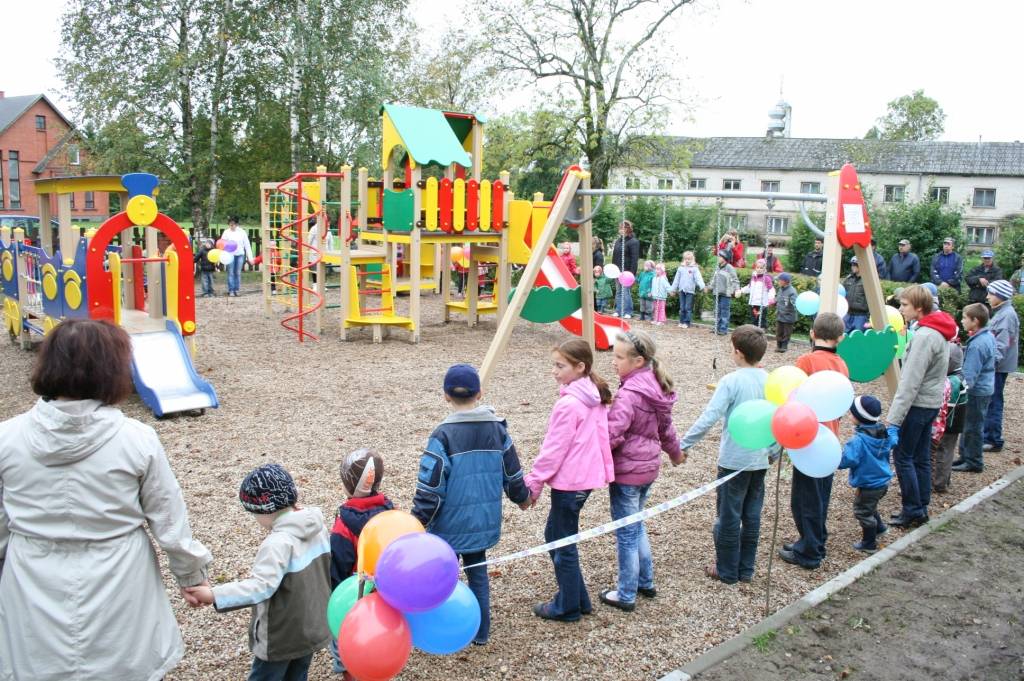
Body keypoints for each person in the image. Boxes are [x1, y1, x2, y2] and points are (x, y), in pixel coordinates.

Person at [0, 319, 212, 681]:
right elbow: (168, 518)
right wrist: (191, 576)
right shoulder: (136, 439)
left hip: (33, 575)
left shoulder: (8, 437)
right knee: (123, 664)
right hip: (119, 575)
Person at [411, 364, 530, 644]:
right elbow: (512, 472)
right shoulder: (497, 430)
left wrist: (417, 521)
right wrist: (522, 497)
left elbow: (431, 487)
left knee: (444, 578)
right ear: (480, 393)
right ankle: (481, 631)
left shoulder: (442, 436)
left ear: (446, 395)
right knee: (478, 575)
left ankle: (445, 628)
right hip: (483, 521)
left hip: (448, 525)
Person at [186, 464, 331, 681]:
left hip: (281, 636)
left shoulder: (277, 544)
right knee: (298, 674)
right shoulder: (318, 528)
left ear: (265, 510)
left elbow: (259, 587)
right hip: (312, 626)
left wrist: (214, 595)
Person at [524, 339, 615, 622]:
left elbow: (554, 449)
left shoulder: (570, 404)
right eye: (554, 364)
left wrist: (534, 482)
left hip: (571, 482)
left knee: (561, 541)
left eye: (560, 365)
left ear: (580, 367)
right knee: (556, 535)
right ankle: (578, 598)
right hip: (584, 480)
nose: (554, 370)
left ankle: (567, 607)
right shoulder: (593, 395)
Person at [680, 325, 773, 584]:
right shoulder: (770, 380)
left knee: (729, 517)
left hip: (734, 461)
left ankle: (727, 570)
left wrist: (684, 444)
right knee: (752, 516)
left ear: (738, 352)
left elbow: (710, 416)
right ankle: (746, 569)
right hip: (760, 460)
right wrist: (774, 451)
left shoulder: (731, 381)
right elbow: (779, 419)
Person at [600, 331, 682, 611]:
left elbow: (613, 433)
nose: (613, 361)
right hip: (649, 468)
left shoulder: (629, 394)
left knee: (626, 533)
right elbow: (666, 429)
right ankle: (645, 581)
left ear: (638, 361)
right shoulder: (656, 385)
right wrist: (675, 453)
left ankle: (626, 594)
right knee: (637, 526)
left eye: (619, 357)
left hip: (627, 473)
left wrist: (588, 458)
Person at [779, 313, 848, 570]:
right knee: (820, 495)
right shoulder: (842, 364)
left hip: (809, 438)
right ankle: (815, 540)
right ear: (840, 337)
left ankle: (809, 551)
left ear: (812, 333)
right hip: (830, 438)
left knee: (804, 498)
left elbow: (794, 395)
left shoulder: (806, 361)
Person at [885, 285, 957, 528]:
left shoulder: (925, 336)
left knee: (903, 456)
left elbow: (910, 382)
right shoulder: (938, 330)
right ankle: (921, 504)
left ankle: (913, 509)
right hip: (930, 403)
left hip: (918, 405)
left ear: (918, 307)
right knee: (921, 456)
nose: (900, 309)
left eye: (904, 305)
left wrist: (894, 420)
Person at [329, 449, 393, 676]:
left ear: (347, 485)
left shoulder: (343, 525)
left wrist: (334, 596)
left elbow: (338, 567)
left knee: (347, 644)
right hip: (386, 595)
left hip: (353, 597)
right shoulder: (391, 514)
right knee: (380, 640)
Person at [838, 396, 897, 554]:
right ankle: (880, 528)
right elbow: (894, 439)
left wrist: (834, 458)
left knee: (862, 511)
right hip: (883, 482)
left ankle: (869, 543)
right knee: (870, 505)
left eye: (852, 413)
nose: (850, 415)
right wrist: (894, 428)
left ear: (859, 417)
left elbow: (847, 460)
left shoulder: (858, 441)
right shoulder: (884, 432)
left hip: (869, 484)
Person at [953, 304, 996, 473]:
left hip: (976, 392)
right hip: (984, 388)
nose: (962, 321)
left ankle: (973, 461)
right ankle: (966, 456)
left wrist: (958, 391)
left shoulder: (978, 344)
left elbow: (970, 375)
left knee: (972, 427)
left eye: (965, 318)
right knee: (970, 425)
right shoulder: (987, 336)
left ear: (975, 320)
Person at [982, 280, 1019, 454]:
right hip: (997, 365)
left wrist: (990, 365)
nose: (987, 297)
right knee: (992, 400)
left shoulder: (1006, 315)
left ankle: (992, 438)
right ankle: (989, 436)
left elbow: (1001, 344)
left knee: (993, 401)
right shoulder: (1003, 312)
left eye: (991, 293)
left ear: (1000, 296)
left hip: (997, 367)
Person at [932, 344, 965, 491]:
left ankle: (939, 482)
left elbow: (948, 407)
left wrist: (941, 424)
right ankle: (945, 479)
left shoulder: (953, 381)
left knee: (943, 451)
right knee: (948, 450)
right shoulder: (960, 376)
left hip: (950, 423)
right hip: (956, 421)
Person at [611, 220, 640, 318]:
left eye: (622, 228)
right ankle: (619, 310)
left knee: (626, 292)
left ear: (628, 229)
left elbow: (634, 259)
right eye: (620, 228)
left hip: (627, 272)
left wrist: (632, 273)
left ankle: (628, 311)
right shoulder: (618, 241)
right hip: (617, 271)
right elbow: (614, 256)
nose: (620, 230)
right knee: (619, 291)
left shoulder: (633, 242)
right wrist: (613, 269)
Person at [709, 249, 741, 335]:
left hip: (726, 294)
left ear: (725, 258)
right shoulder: (717, 267)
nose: (718, 258)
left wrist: (737, 289)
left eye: (720, 256)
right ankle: (716, 327)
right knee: (717, 311)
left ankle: (723, 329)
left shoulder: (729, 268)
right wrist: (709, 287)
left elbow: (735, 280)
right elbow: (713, 279)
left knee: (724, 312)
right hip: (717, 292)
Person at [221, 216, 255, 297]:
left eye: (233, 224)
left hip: (240, 255)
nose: (231, 226)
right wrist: (222, 255)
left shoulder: (242, 232)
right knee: (231, 272)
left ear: (236, 224)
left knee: (238, 272)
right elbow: (222, 244)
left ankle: (237, 289)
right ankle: (231, 290)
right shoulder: (226, 232)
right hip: (230, 255)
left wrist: (250, 258)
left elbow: (247, 245)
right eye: (230, 224)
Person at [670, 251, 705, 328]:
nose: (687, 260)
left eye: (689, 259)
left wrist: (702, 286)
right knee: (682, 307)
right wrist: (673, 289)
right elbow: (676, 280)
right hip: (681, 290)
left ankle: (687, 322)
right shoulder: (681, 268)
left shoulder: (694, 269)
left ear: (692, 259)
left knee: (687, 308)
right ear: (684, 259)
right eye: (686, 259)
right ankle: (681, 321)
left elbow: (698, 278)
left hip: (690, 291)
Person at [740, 258, 773, 330]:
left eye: (761, 268)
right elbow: (749, 287)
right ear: (755, 268)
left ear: (764, 269)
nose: (759, 269)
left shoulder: (766, 278)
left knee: (761, 320)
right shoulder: (753, 277)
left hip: (762, 304)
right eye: (757, 267)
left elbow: (771, 289)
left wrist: (771, 298)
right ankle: (754, 333)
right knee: (754, 320)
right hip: (753, 303)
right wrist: (741, 291)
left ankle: (762, 332)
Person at [843, 256, 869, 333]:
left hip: (861, 316)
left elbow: (872, 301)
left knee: (858, 336)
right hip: (847, 314)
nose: (853, 266)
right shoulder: (848, 279)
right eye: (852, 264)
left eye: (855, 264)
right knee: (843, 336)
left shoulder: (867, 280)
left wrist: (869, 319)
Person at [774, 272, 797, 353]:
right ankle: (779, 345)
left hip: (788, 316)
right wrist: (774, 302)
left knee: (786, 332)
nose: (778, 282)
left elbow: (795, 303)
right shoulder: (781, 289)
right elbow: (778, 299)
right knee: (779, 331)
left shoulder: (792, 291)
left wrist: (793, 303)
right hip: (780, 314)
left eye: (779, 280)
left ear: (785, 281)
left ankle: (784, 346)